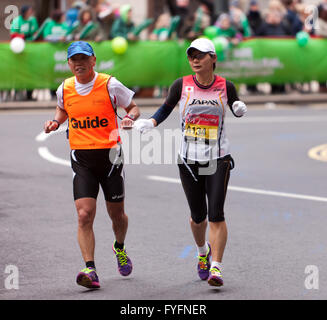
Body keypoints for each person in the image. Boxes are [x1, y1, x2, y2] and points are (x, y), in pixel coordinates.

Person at [134, 38, 247, 287]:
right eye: (191, 55)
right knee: (198, 217)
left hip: (218, 158)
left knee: (216, 214)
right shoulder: (181, 85)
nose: (195, 59)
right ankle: (202, 252)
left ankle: (216, 267)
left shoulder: (225, 86)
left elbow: (235, 105)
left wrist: (238, 108)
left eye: (201, 55)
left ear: (213, 58)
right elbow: (165, 108)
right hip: (188, 159)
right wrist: (150, 123)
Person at [43, 41, 140, 289]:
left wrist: (129, 117)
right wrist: (55, 122)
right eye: (74, 60)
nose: (79, 64)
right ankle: (90, 269)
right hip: (82, 158)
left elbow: (133, 107)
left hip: (110, 158)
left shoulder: (109, 84)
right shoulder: (64, 88)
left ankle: (119, 247)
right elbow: (63, 109)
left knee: (116, 214)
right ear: (69, 63)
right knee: (84, 215)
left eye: (83, 59)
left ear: (93, 60)